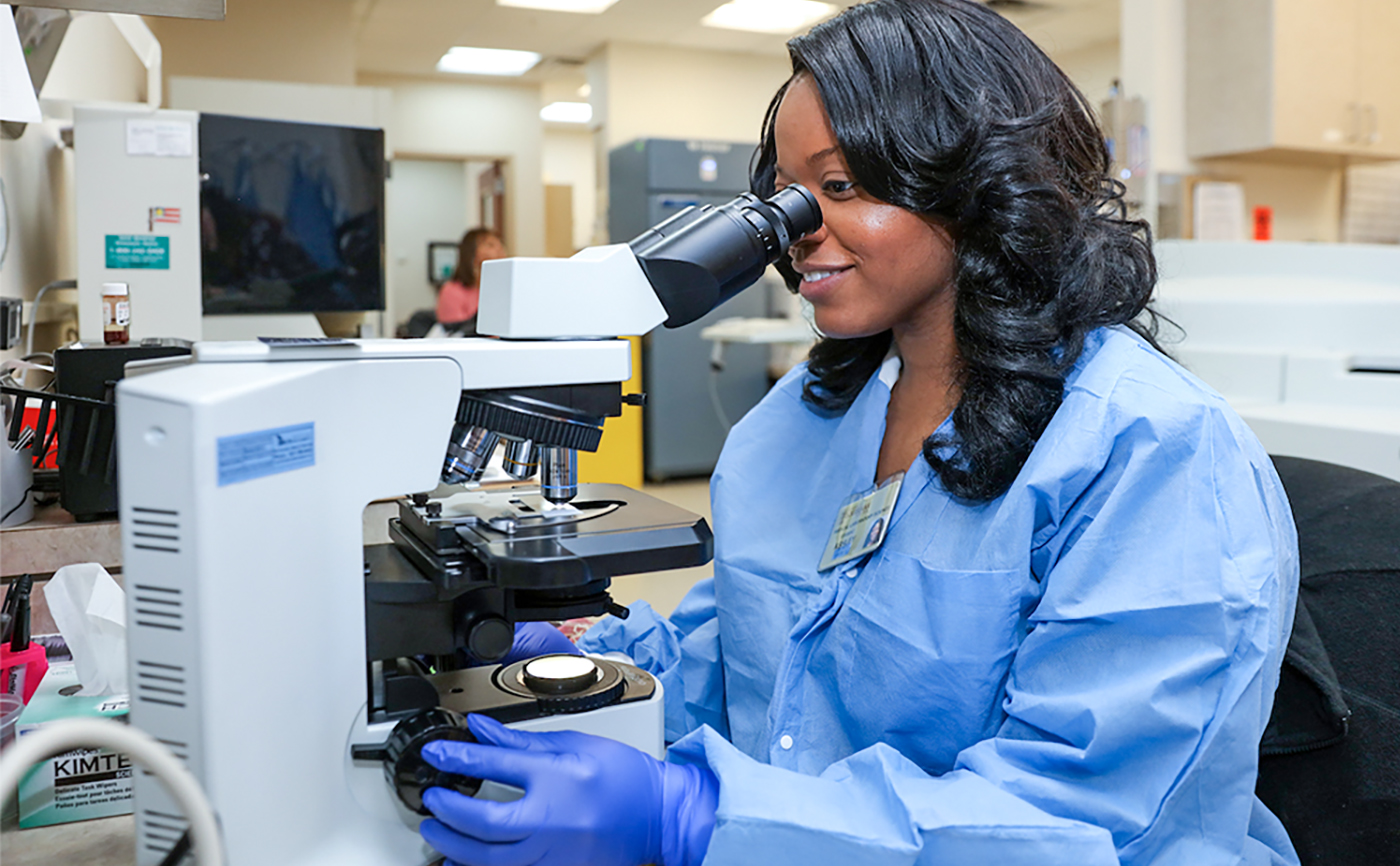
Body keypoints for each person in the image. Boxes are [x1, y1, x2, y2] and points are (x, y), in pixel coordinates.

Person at [414, 2, 1301, 865]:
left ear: (980, 183)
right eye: (787, 194)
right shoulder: (804, 419)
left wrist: (699, 817)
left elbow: (1080, 823)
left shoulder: (1152, 451)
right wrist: (578, 662)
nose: (797, 232)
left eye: (838, 187)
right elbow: (743, 668)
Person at [436, 228, 506, 333]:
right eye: (490, 245)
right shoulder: (451, 291)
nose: (499, 249)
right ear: (472, 252)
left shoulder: (501, 290)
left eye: (500, 245)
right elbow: (456, 334)